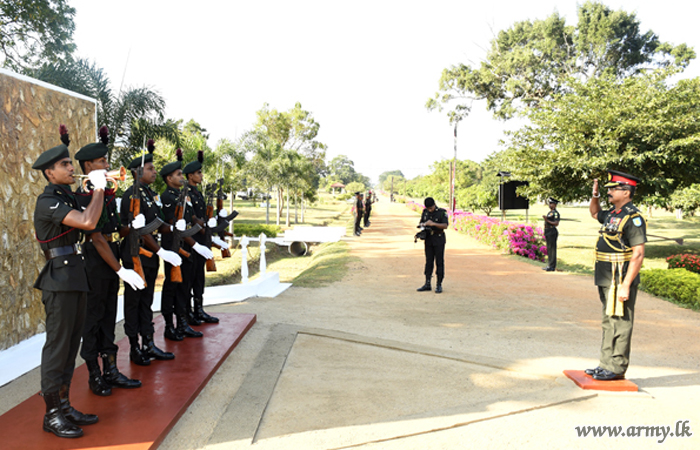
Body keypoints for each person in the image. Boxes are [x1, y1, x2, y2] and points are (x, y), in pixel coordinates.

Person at [32, 126, 107, 438]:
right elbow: (88, 221)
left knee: (70, 347)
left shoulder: (66, 195)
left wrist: (101, 187)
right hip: (59, 279)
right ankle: (51, 414)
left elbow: (97, 217)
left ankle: (63, 405)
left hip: (74, 276)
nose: (71, 168)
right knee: (58, 348)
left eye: (70, 163)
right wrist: (99, 189)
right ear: (50, 172)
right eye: (64, 165)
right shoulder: (47, 201)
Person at [74, 127, 144, 397]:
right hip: (95, 260)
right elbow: (96, 237)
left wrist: (131, 226)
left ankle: (111, 370)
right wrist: (120, 269)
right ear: (89, 165)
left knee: (108, 316)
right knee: (92, 319)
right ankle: (94, 374)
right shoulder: (84, 195)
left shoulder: (107, 193)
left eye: (106, 161)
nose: (108, 166)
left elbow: (114, 232)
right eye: (102, 162)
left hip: (111, 258)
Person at [120, 140, 182, 366]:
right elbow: (136, 230)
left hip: (150, 255)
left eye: (154, 168)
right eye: (150, 169)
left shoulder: (152, 195)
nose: (154, 171)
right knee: (133, 302)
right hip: (135, 254)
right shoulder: (130, 195)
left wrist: (173, 228)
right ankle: (135, 348)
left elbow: (157, 224)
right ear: (137, 172)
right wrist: (160, 250)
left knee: (146, 301)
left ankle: (148, 342)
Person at [585, 170, 646, 381]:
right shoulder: (613, 213)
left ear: (627, 192)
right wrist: (595, 195)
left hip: (620, 276)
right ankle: (605, 364)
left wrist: (626, 284)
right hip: (605, 275)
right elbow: (594, 214)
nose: (609, 191)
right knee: (608, 320)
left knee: (621, 320)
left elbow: (638, 253)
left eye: (613, 188)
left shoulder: (633, 218)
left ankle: (617, 366)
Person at [160, 150, 214, 341]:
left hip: (188, 246)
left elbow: (190, 220)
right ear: (169, 178)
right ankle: (170, 324)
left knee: (185, 287)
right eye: (178, 175)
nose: (181, 177)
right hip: (175, 248)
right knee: (172, 287)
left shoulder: (185, 195)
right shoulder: (167, 197)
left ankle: (183, 322)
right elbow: (171, 225)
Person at [183, 150, 228, 325]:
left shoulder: (197, 193)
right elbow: (193, 219)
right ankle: (188, 313)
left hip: (202, 240)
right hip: (192, 242)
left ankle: (199, 310)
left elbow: (203, 217)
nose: (201, 175)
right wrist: (206, 230)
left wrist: (214, 221)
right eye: (199, 173)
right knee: (190, 278)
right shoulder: (186, 193)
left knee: (199, 278)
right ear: (190, 175)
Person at [416, 197, 449, 293]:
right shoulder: (425, 212)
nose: (429, 210)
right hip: (428, 239)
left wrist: (432, 223)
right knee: (428, 261)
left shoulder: (442, 212)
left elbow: (445, 225)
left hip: (438, 239)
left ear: (434, 205)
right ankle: (427, 283)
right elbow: (421, 222)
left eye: (431, 208)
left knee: (439, 262)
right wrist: (423, 225)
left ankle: (439, 284)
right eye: (428, 208)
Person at [542, 197, 560, 272]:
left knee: (552, 248)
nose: (550, 205)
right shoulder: (550, 212)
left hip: (552, 231)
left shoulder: (555, 213)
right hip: (548, 230)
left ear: (555, 205)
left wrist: (547, 220)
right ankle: (549, 264)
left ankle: (552, 266)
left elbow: (556, 223)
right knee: (549, 248)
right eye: (549, 203)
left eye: (551, 203)